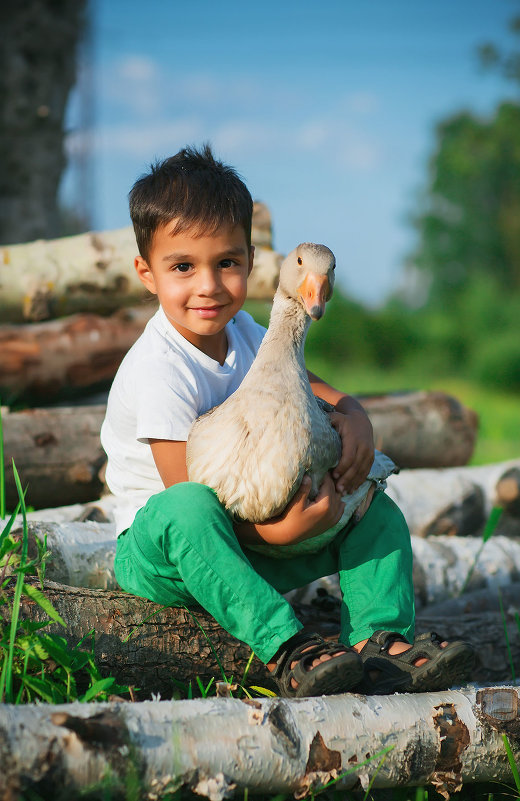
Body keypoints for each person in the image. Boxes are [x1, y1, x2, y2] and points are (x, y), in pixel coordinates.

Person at [101, 144, 474, 697]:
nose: (208, 285)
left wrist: (355, 416)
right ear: (147, 273)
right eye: (183, 267)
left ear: (251, 263)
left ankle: (382, 642)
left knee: (377, 513)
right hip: (167, 558)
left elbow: (322, 389)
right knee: (187, 508)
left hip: (253, 545)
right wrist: (280, 532)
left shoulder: (252, 334)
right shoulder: (159, 368)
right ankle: (286, 649)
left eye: (226, 263)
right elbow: (188, 495)